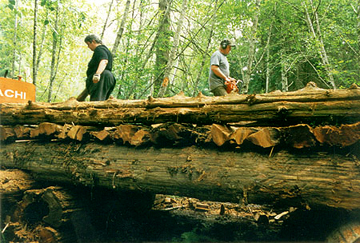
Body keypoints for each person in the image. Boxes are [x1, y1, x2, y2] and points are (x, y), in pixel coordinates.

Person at [83, 34, 115, 101]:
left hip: (102, 78)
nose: (88, 47)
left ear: (93, 41)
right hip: (106, 77)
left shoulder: (99, 49)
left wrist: (97, 74)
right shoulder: (105, 49)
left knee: (96, 103)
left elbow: (104, 61)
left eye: (88, 44)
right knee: (101, 102)